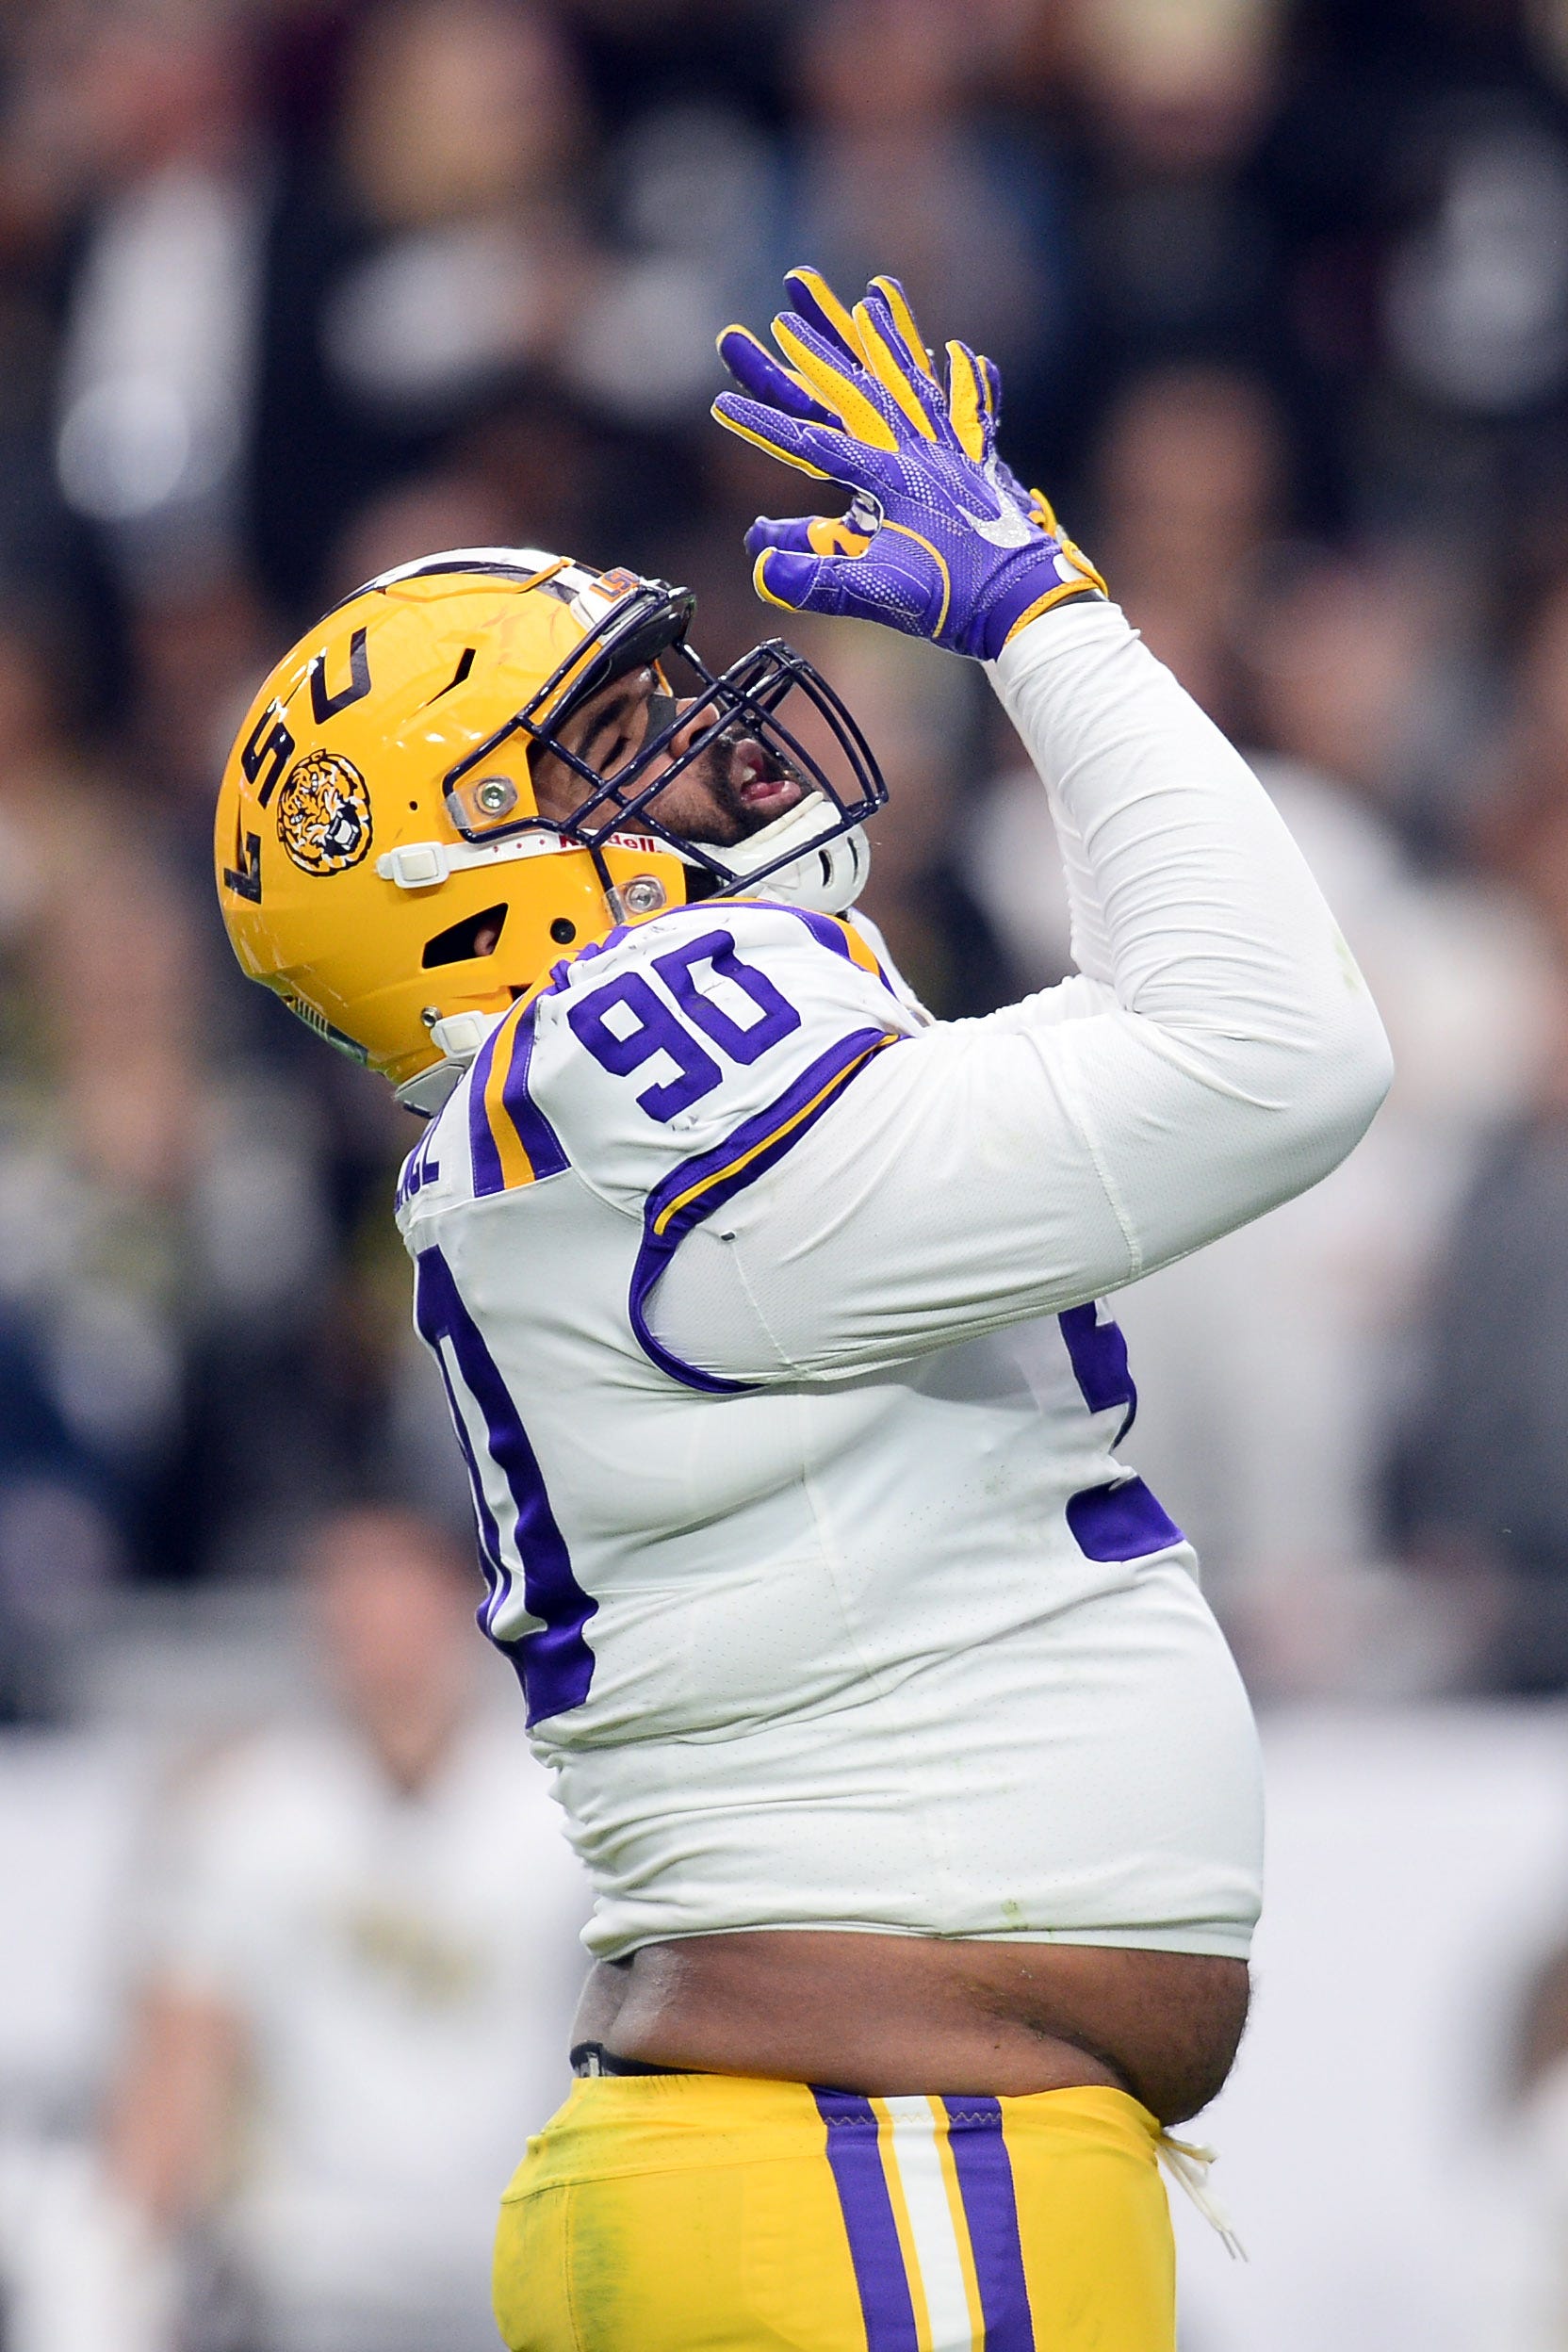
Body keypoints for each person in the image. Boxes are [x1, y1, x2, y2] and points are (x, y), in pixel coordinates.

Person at [214, 268, 1392, 2350]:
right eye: (601, 742)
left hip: (829, 2150)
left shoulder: (567, 1126)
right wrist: (1049, 616)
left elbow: (1160, 1032)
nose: (697, 744)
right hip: (874, 2159)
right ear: (457, 873)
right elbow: (1267, 1053)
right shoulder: (627, 1054)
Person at [104, 1503, 591, 2352]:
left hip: (523, 2255)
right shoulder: (247, 1809)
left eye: (397, 1606)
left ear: (458, 1612)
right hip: (310, 2271)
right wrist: (124, 2268)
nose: (378, 1639)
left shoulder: (560, 1804)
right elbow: (181, 2054)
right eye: (350, 1611)